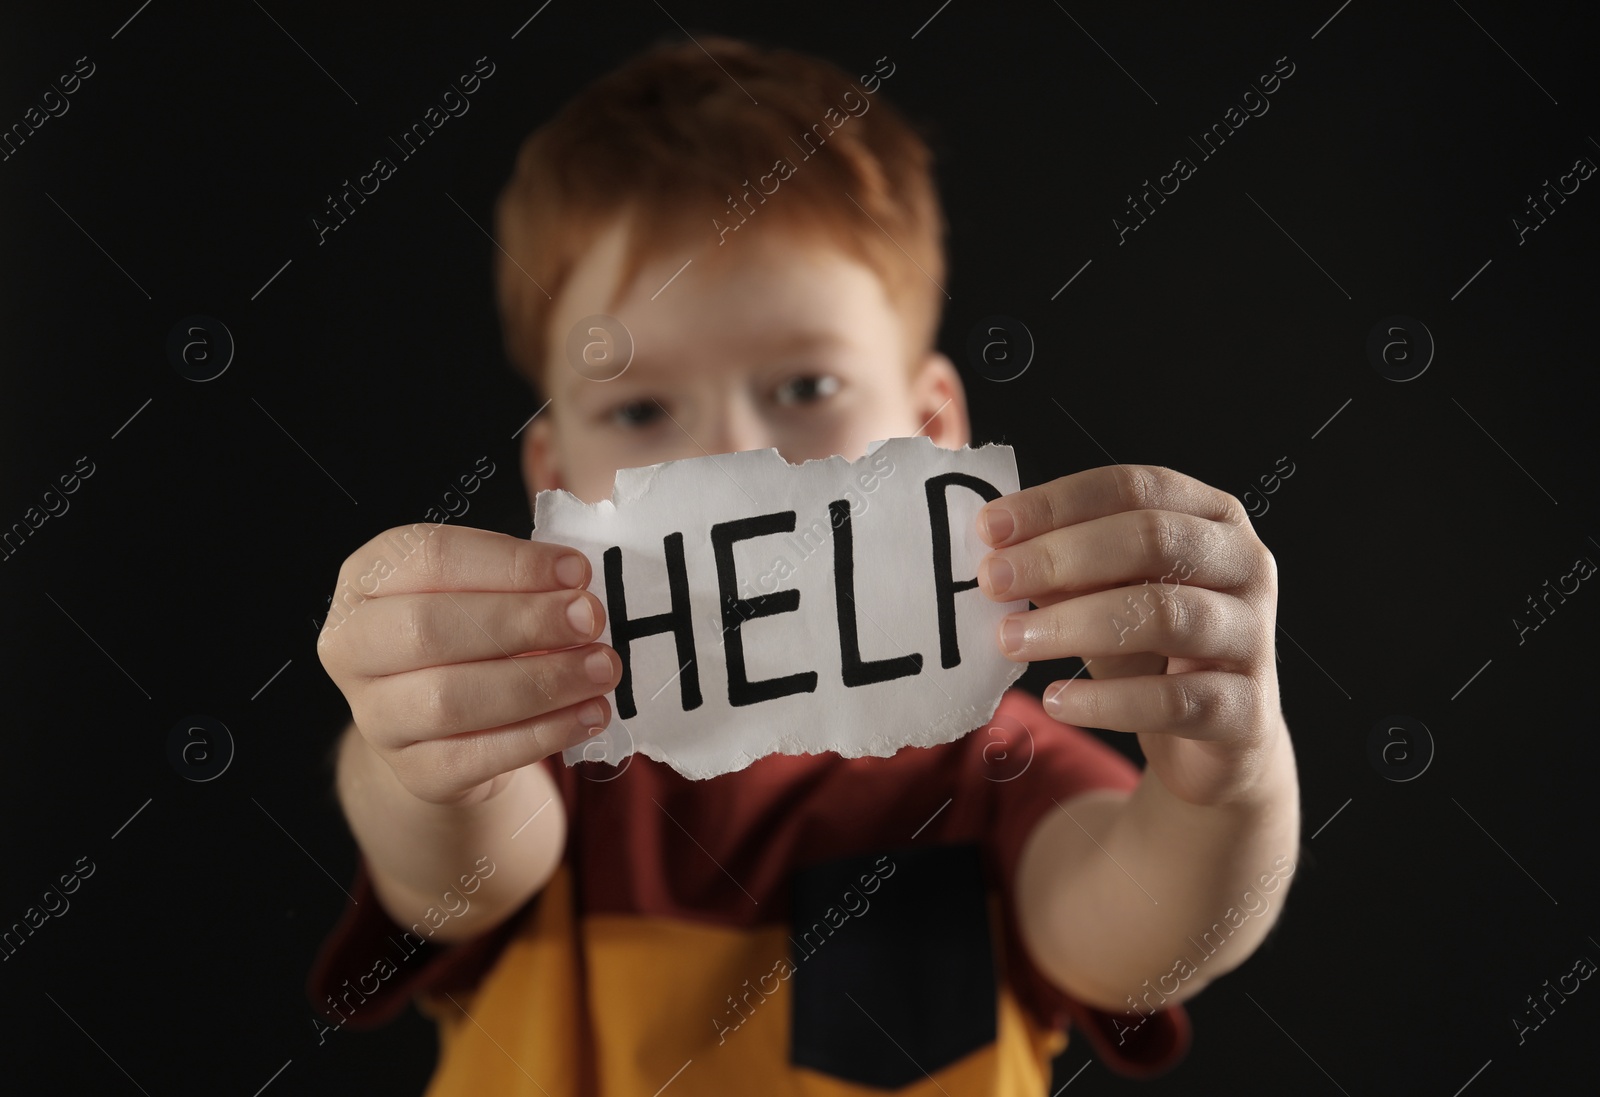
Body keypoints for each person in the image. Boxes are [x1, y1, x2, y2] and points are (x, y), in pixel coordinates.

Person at [309, 34, 1300, 1096]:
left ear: (932, 431)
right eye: (640, 408)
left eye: (805, 386)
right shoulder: (548, 739)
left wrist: (1225, 787)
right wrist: (416, 737)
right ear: (555, 487)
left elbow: (1142, 935)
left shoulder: (994, 762)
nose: (729, 457)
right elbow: (451, 869)